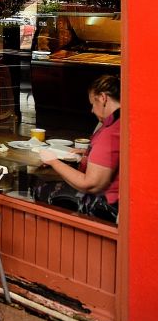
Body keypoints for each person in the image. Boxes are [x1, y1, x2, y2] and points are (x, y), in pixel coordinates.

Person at [37, 74, 120, 222]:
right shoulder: (120, 121)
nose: (92, 110)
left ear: (103, 98)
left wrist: (53, 161)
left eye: (93, 104)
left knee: (40, 188)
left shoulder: (110, 133)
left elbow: (90, 184)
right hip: (119, 199)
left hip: (108, 205)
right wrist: (88, 153)